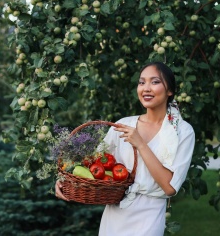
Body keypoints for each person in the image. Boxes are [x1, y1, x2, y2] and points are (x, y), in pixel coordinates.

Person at [55, 61, 195, 236]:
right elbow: (93, 166)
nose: (146, 88)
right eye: (142, 82)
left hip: (149, 217)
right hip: (115, 215)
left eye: (155, 82)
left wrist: (140, 144)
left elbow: (169, 187)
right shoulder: (122, 125)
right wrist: (66, 180)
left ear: (170, 90)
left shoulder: (182, 131)